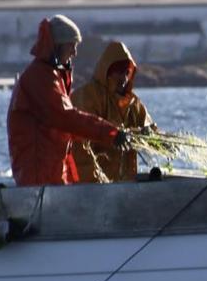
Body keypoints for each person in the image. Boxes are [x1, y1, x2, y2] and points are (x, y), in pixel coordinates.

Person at [7, 14, 131, 186]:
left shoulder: (51, 75)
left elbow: (67, 125)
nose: (75, 52)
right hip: (39, 176)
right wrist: (110, 133)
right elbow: (66, 117)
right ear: (57, 46)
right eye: (71, 45)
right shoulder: (41, 77)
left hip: (50, 172)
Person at [71, 41, 158, 182]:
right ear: (107, 72)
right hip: (90, 184)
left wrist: (153, 136)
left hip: (122, 185)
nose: (123, 78)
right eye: (118, 72)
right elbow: (80, 147)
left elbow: (152, 131)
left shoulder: (134, 104)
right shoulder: (87, 96)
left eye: (126, 73)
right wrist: (97, 181)